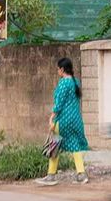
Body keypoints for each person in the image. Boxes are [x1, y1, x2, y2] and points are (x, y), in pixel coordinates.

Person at [38, 56, 89, 186]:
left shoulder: (63, 83)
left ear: (62, 69)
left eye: (58, 69)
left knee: (54, 145)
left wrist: (52, 117)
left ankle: (51, 175)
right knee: (75, 145)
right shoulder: (76, 82)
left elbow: (59, 103)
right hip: (76, 119)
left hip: (63, 120)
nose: (57, 71)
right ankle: (81, 174)